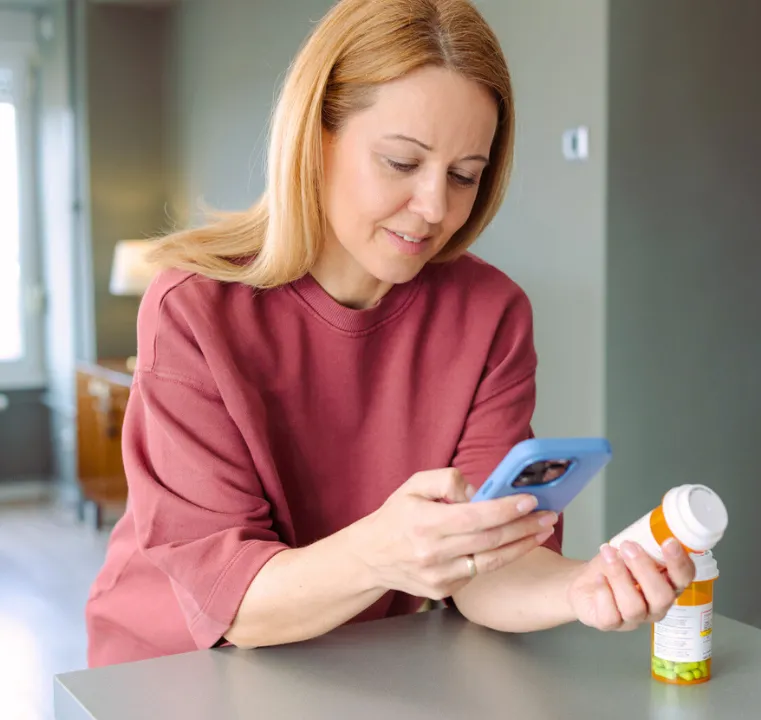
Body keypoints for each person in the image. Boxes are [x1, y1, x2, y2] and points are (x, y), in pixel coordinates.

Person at [85, 0, 695, 667]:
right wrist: (380, 552)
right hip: (173, 670)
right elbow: (235, 606)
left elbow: (485, 568)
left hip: (357, 659)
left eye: (464, 175)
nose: (436, 208)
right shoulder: (193, 307)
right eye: (403, 163)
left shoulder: (491, 314)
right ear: (315, 138)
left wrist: (582, 588)